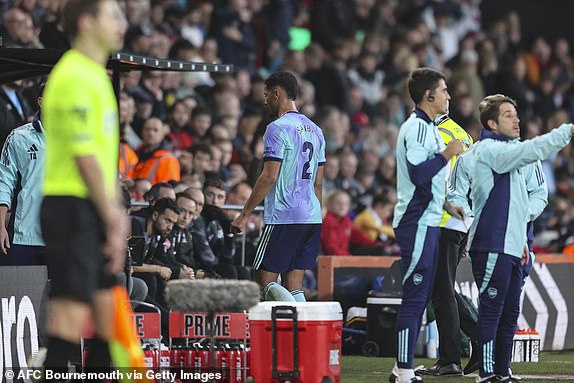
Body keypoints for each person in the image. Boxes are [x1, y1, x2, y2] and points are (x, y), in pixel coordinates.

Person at [39, 0, 128, 372]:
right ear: (88, 22)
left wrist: (113, 212)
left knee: (109, 326)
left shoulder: (96, 75)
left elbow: (103, 159)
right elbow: (84, 155)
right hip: (70, 206)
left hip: (92, 206)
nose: (122, 23)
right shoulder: (73, 74)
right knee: (69, 322)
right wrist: (112, 215)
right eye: (114, 15)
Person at [464, 94, 573, 383]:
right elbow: (532, 151)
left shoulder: (509, 152)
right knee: (491, 312)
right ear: (492, 123)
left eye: (516, 113)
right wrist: (566, 130)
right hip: (490, 243)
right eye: (509, 114)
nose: (517, 119)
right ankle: (486, 374)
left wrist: (521, 240)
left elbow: (518, 204)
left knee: (510, 311)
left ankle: (502, 371)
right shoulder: (489, 149)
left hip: (512, 243)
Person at [390, 68, 465, 383]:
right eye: (444, 90)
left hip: (428, 217)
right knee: (416, 296)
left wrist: (447, 204)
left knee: (421, 295)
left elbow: (424, 180)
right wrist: (449, 153)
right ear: (428, 95)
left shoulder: (429, 128)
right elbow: (419, 173)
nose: (449, 95)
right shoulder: (419, 129)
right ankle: (403, 370)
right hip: (417, 221)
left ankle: (403, 369)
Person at [231, 71, 326, 302]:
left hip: (285, 215)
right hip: (311, 215)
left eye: (266, 95)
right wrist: (314, 216)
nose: (265, 101)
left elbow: (269, 177)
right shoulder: (316, 130)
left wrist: (244, 215)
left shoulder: (277, 128)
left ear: (277, 94)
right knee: (294, 284)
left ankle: (272, 336)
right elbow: (319, 182)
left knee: (263, 281)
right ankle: (301, 334)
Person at [417, 115, 474, 377]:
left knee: (440, 291)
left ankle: (451, 359)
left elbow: (430, 178)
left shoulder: (432, 134)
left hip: (442, 219)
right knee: (442, 288)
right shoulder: (463, 134)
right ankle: (483, 340)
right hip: (462, 218)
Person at [0, 84, 47, 266]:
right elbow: (3, 182)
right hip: (22, 235)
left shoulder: (73, 139)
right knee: (14, 291)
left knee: (59, 294)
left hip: (61, 235)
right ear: (41, 102)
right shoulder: (18, 138)